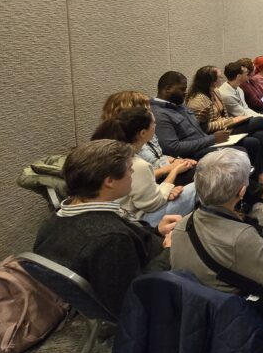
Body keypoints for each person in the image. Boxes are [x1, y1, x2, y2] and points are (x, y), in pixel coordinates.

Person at [170, 148, 263, 335]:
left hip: (197, 312)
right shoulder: (240, 237)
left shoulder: (182, 225)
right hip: (234, 321)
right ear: (242, 191)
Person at [33, 139, 176, 315]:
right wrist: (168, 252)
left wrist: (156, 231)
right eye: (129, 169)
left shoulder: (53, 221)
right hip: (156, 291)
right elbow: (134, 297)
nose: (132, 173)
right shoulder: (110, 238)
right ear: (110, 181)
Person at [151, 70, 263, 204]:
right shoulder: (160, 114)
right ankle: (255, 192)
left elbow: (195, 130)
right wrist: (213, 138)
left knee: (253, 141)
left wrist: (201, 121)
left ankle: (249, 187)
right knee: (239, 151)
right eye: (181, 89)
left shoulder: (179, 105)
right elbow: (172, 148)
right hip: (192, 153)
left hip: (206, 142)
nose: (185, 92)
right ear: (168, 89)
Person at [90, 107, 198, 227]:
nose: (156, 126)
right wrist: (174, 171)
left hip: (127, 212)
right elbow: (153, 204)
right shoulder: (135, 163)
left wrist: (165, 189)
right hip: (137, 221)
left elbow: (141, 191)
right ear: (142, 133)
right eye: (154, 123)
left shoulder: (111, 155)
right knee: (199, 186)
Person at [185, 65, 263, 166]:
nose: (221, 79)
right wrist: (231, 121)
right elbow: (202, 127)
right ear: (211, 81)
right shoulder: (197, 100)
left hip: (227, 126)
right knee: (260, 121)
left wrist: (231, 120)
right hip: (217, 134)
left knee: (260, 135)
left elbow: (229, 113)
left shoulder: (215, 92)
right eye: (219, 77)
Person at [102, 90, 197, 185]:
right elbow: (135, 178)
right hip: (151, 183)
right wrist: (172, 168)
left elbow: (158, 157)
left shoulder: (147, 131)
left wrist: (176, 161)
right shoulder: (118, 143)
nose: (150, 113)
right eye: (146, 109)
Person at [217, 61, 263, 139]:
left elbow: (246, 108)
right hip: (239, 122)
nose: (248, 74)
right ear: (239, 76)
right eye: (245, 72)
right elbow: (242, 114)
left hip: (248, 116)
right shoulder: (227, 94)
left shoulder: (238, 88)